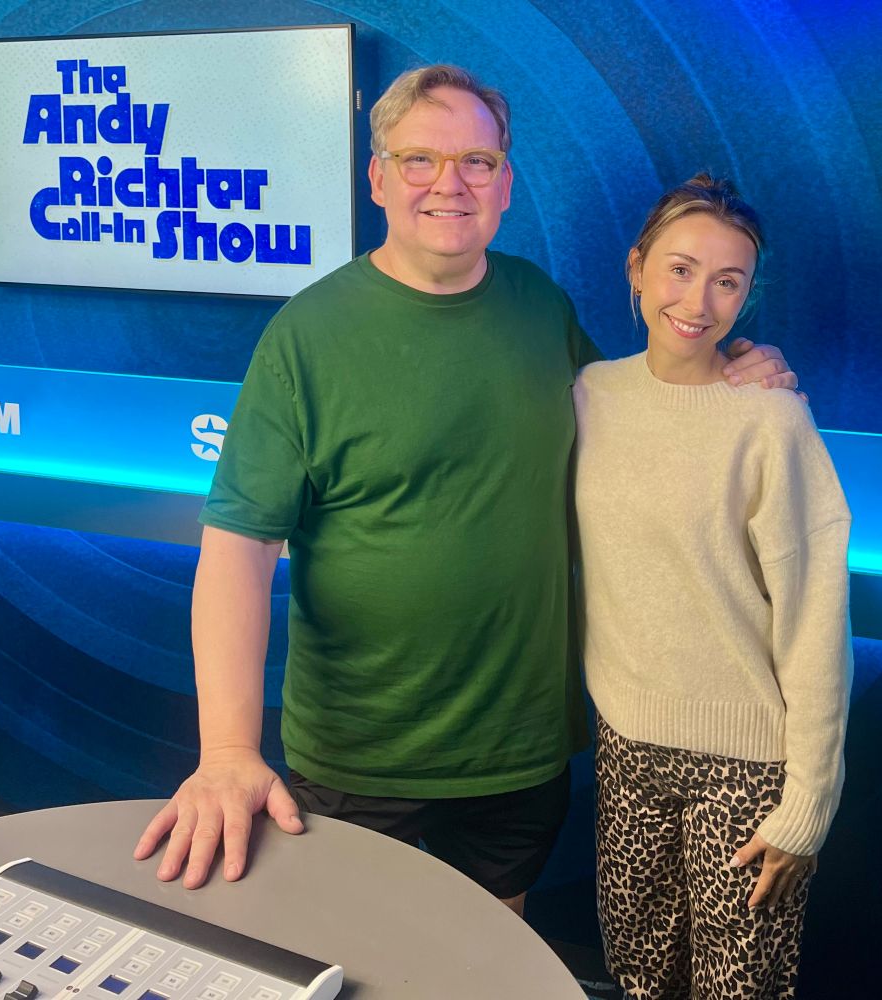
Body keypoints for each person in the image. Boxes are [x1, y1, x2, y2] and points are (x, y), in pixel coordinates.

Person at [133, 67, 796, 916]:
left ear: (505, 184)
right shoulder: (307, 337)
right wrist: (226, 749)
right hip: (356, 757)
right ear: (377, 178)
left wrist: (729, 363)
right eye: (419, 159)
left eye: (476, 161)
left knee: (485, 961)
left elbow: (639, 414)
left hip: (516, 751)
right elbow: (238, 546)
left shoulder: (535, 305)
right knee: (347, 956)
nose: (449, 184)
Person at [573, 174, 851, 997]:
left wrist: (808, 800)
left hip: (749, 767)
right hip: (625, 749)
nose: (700, 300)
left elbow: (813, 620)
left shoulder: (771, 419)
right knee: (637, 980)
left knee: (739, 991)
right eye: (681, 269)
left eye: (727, 281)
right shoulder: (590, 394)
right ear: (636, 268)